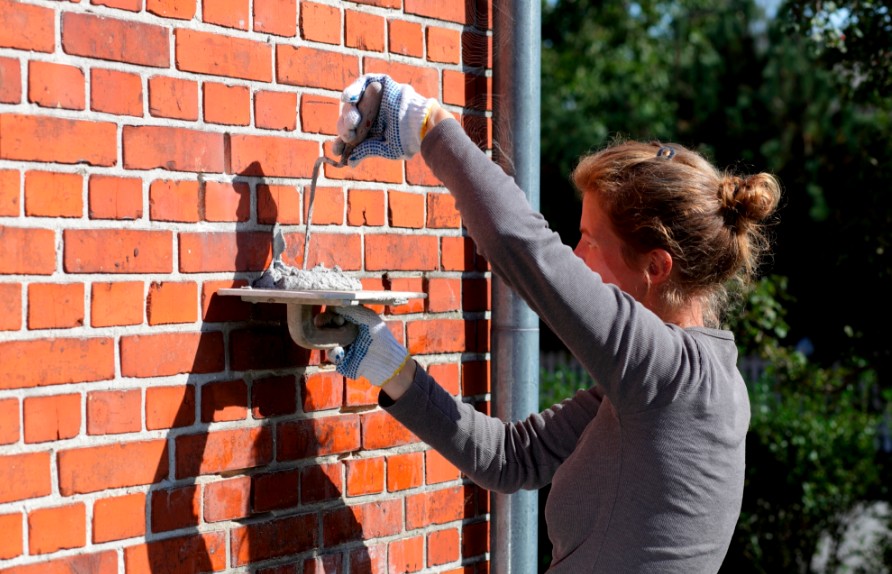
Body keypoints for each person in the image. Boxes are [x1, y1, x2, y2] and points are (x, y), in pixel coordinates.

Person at [328, 74, 780, 573]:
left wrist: (423, 121)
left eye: (590, 240)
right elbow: (510, 458)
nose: (575, 254)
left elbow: (524, 247)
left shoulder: (668, 374)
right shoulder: (676, 385)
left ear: (655, 268)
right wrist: (387, 363)